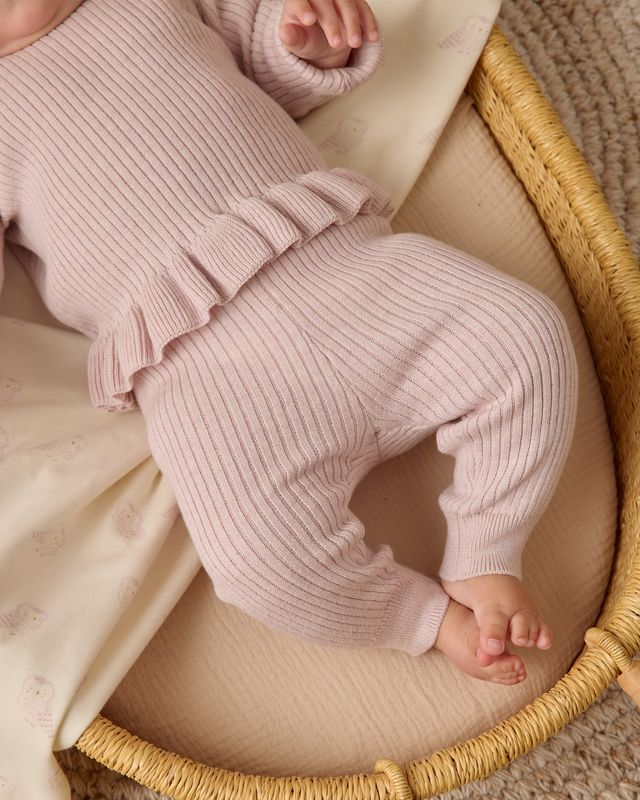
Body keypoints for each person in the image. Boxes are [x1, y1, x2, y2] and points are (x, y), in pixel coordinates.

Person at [0, 0, 579, 685]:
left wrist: (307, 39)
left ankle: (486, 550)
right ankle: (425, 619)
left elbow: (269, 66)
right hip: (206, 376)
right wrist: (415, 619)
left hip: (346, 268)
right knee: (257, 566)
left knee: (526, 336)